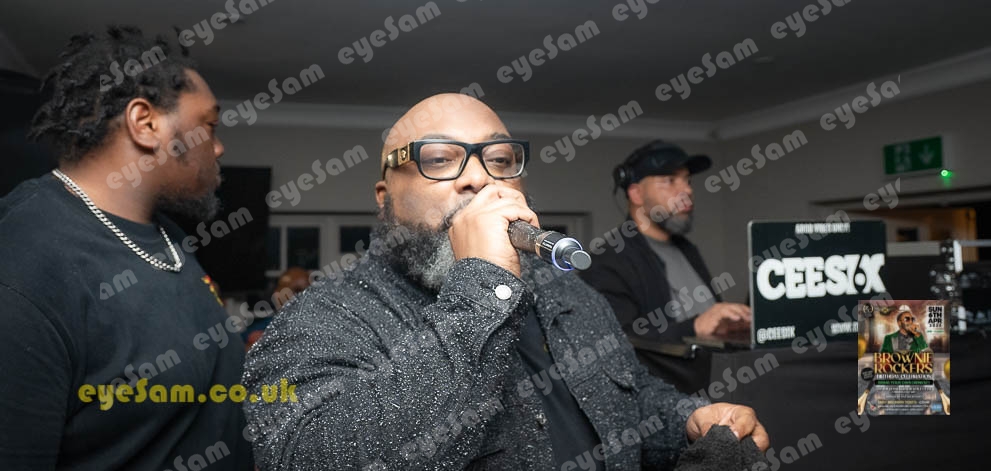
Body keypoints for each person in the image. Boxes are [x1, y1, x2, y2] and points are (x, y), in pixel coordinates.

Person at [242, 94, 768, 469]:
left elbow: (628, 399)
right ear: (385, 198)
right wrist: (484, 287)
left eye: (498, 159)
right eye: (440, 159)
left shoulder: (567, 290)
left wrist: (688, 419)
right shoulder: (321, 318)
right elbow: (310, 455)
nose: (479, 177)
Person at [0, 26, 251, 469]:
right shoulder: (23, 265)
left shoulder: (166, 235)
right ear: (146, 124)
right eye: (209, 125)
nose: (218, 146)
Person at [579, 141, 751, 346]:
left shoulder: (687, 250)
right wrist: (694, 327)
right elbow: (616, 343)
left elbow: (709, 322)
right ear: (636, 194)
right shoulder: (607, 261)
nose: (687, 190)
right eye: (670, 180)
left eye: (688, 180)